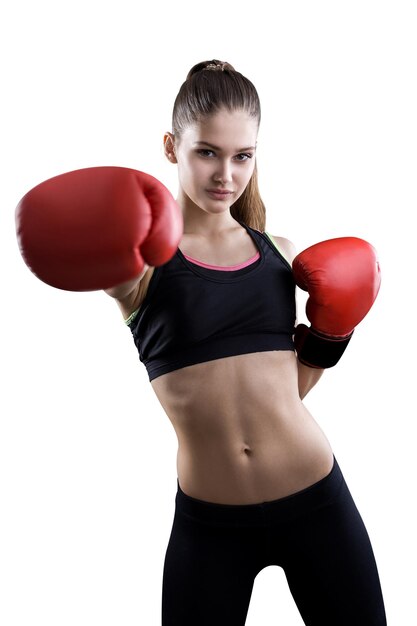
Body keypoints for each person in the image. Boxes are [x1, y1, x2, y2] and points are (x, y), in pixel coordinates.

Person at [15, 59, 387, 625]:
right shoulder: (140, 267)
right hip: (212, 524)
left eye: (243, 156)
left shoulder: (280, 255)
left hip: (316, 498)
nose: (226, 175)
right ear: (171, 146)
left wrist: (333, 335)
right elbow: (74, 236)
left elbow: (287, 394)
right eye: (207, 152)